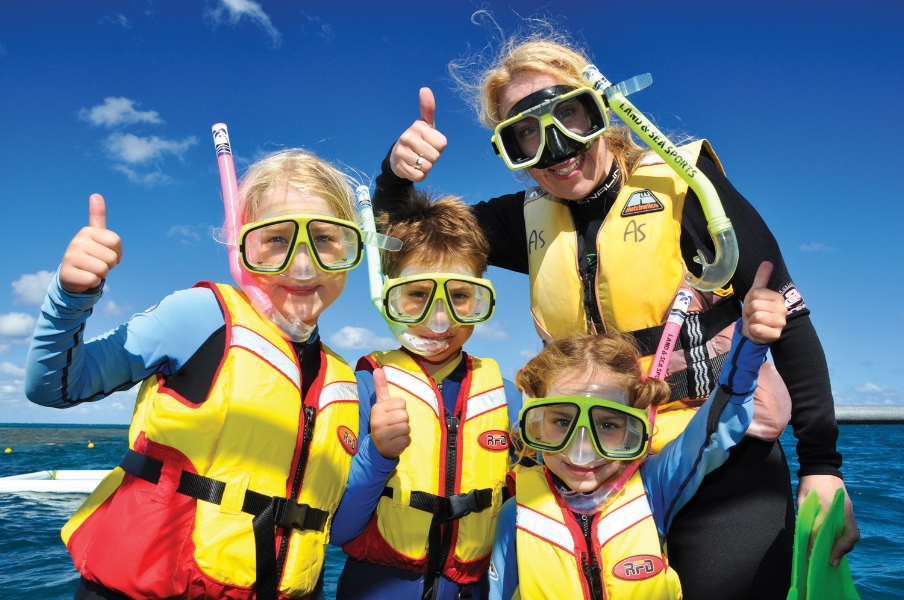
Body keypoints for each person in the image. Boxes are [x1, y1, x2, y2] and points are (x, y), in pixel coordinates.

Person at [373, 33, 858, 599]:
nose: (552, 148)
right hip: (589, 472)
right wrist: (397, 175)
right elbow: (410, 238)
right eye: (523, 135)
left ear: (602, 111)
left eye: (568, 115)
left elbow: (788, 313)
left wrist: (822, 465)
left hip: (720, 462)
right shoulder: (522, 221)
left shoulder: (685, 188)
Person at [25, 150, 363, 600]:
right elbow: (54, 386)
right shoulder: (201, 317)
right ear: (241, 247)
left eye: (324, 239)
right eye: (276, 240)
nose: (302, 265)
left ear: (353, 249)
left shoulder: (339, 377)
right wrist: (71, 296)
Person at [489, 261, 786, 599]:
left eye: (608, 424)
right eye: (561, 422)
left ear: (636, 430)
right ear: (535, 425)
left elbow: (713, 429)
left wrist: (749, 347)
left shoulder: (653, 487)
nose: (582, 449)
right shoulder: (515, 515)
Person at [329, 190, 522, 600]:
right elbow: (339, 529)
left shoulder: (508, 397)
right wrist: (378, 453)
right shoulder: (362, 388)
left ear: (480, 297)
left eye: (460, 297)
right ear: (388, 296)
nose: (439, 319)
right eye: (417, 295)